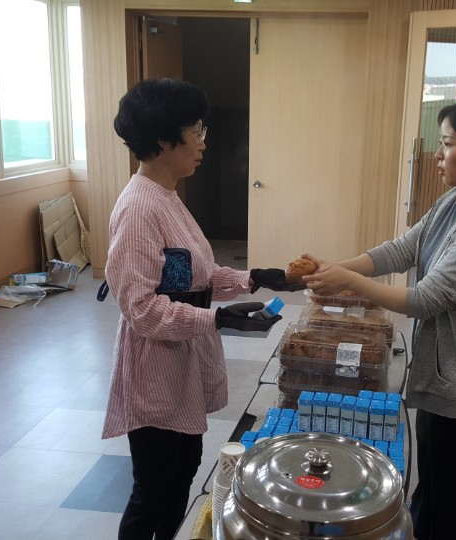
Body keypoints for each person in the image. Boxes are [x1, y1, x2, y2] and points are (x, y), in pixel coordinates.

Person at [302, 95, 456, 540]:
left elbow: (428, 298)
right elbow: (401, 250)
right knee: (436, 477)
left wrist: (347, 281)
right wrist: (335, 268)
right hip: (443, 370)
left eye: (448, 143)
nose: (438, 155)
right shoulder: (455, 201)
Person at [102, 78, 300, 540]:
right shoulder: (138, 209)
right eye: (196, 132)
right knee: (152, 491)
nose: (203, 143)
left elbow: (193, 275)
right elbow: (142, 309)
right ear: (163, 139)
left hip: (182, 359)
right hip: (155, 368)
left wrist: (252, 278)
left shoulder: (167, 197)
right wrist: (216, 318)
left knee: (184, 468)